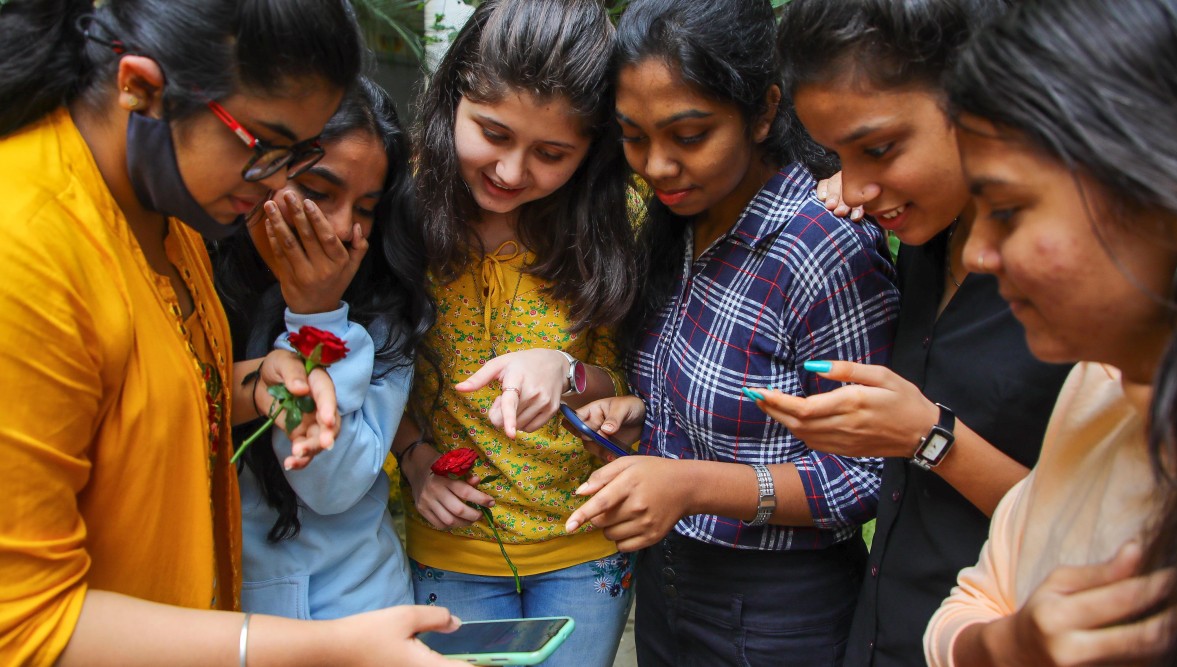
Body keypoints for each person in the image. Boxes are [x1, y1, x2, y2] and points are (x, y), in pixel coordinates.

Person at [0, 1, 461, 664]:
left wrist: (256, 385)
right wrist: (331, 647)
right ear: (140, 87)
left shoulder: (170, 215)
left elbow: (153, 397)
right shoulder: (24, 249)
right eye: (264, 145)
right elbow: (24, 625)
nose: (274, 182)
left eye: (295, 156)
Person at [563, 1, 900, 664]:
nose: (658, 165)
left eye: (689, 135)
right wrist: (645, 420)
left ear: (764, 111)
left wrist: (690, 484)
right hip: (669, 584)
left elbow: (868, 471)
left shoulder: (821, 246)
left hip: (777, 611)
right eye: (634, 136)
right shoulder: (680, 224)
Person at [744, 2, 1076, 663]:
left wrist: (928, 436)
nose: (854, 189)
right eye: (837, 155)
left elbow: (1098, 526)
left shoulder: (1082, 278)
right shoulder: (925, 235)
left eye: (877, 148)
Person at [923, 0, 1177, 664]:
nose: (978, 254)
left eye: (1009, 210)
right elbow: (967, 606)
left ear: (1175, 202)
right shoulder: (1097, 383)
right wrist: (1009, 644)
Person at [393, 1, 639, 665]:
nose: (509, 171)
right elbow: (376, 366)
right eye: (493, 133)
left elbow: (631, 385)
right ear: (453, 99)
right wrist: (414, 460)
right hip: (455, 546)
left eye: (551, 153)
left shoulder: (615, 220)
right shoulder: (402, 206)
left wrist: (568, 370)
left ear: (591, 150)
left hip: (585, 543)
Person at [212, 76, 435, 619]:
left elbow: (332, 485)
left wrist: (316, 314)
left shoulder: (384, 310)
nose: (339, 228)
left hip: (353, 610)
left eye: (365, 208)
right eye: (317, 192)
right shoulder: (195, 277)